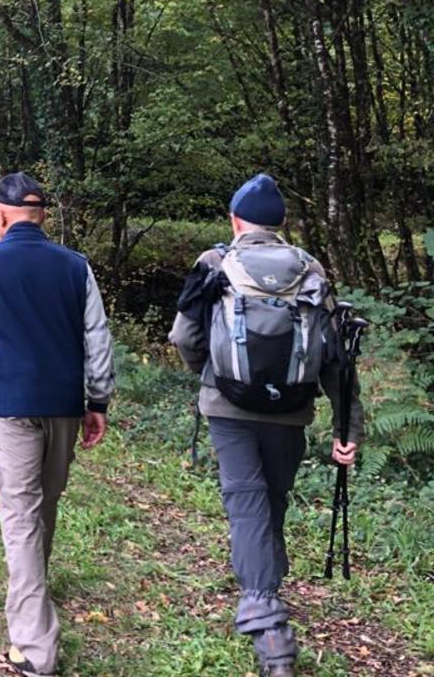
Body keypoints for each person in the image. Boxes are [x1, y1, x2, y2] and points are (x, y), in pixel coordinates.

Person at [168, 173, 363, 677]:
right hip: (291, 409)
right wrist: (347, 429)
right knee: (269, 501)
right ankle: (266, 586)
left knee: (245, 501)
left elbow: (184, 336)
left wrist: (211, 375)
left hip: (228, 406)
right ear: (282, 223)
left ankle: (267, 623)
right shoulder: (310, 269)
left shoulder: (215, 263)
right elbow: (335, 356)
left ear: (235, 221)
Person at [0, 172, 114, 677]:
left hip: (13, 403)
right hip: (65, 403)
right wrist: (98, 400)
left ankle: (35, 647)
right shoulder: (76, 266)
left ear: (0, 216)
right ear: (42, 217)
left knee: (20, 512)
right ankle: (33, 588)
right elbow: (97, 336)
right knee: (46, 501)